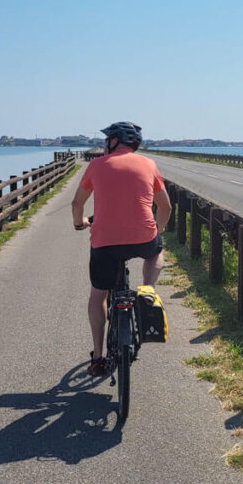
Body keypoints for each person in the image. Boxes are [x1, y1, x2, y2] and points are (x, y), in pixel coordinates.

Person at [71, 121, 172, 377]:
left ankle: (98, 356)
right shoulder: (149, 164)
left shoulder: (96, 165)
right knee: (156, 251)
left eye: (107, 140)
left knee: (98, 295)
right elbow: (166, 207)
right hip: (142, 238)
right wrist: (157, 231)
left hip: (105, 242)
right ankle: (148, 287)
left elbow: (77, 204)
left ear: (114, 141)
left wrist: (79, 223)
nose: (104, 144)